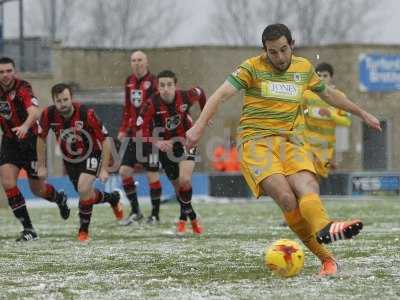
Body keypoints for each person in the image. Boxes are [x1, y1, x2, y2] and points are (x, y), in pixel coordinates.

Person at [186, 24, 381, 275]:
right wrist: (199, 127)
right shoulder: (251, 68)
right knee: (288, 199)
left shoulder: (303, 68)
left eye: (283, 50)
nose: (279, 57)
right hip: (255, 143)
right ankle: (327, 258)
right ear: (264, 50)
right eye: (272, 52)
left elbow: (329, 95)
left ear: (292, 45)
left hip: (290, 141)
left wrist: (362, 113)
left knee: (308, 187)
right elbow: (221, 95)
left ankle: (324, 228)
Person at [37, 83, 124, 242]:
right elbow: (41, 139)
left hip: (92, 154)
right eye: (59, 101)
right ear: (54, 101)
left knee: (83, 188)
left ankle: (83, 231)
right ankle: (112, 198)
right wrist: (41, 165)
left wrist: (104, 168)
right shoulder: (48, 114)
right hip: (70, 159)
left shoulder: (86, 114)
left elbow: (105, 141)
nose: (63, 104)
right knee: (86, 194)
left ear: (71, 98)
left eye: (65, 99)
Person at [0, 57, 70, 242]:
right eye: (1, 72)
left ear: (14, 72)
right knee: (8, 182)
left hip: (31, 141)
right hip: (10, 142)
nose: (5, 75)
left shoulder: (23, 87)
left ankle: (59, 198)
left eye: (8, 71)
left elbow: (34, 112)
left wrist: (24, 126)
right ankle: (28, 229)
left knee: (37, 189)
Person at [140, 70, 206, 235]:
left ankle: (183, 220)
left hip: (186, 140)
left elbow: (201, 92)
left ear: (175, 86)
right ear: (157, 87)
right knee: (178, 188)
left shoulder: (185, 96)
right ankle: (192, 216)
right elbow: (141, 131)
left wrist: (205, 116)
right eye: (162, 85)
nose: (166, 89)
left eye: (169, 85)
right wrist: (158, 142)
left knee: (185, 180)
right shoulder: (151, 104)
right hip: (166, 148)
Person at [118, 50, 162, 225]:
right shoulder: (129, 81)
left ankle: (155, 215)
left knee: (152, 174)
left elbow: (158, 108)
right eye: (133, 60)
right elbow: (128, 108)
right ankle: (136, 211)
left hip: (149, 135)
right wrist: (123, 128)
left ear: (147, 62)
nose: (137, 63)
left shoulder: (154, 82)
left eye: (140, 60)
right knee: (124, 171)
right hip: (132, 134)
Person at [303, 62, 351, 177]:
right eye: (319, 75)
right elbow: (299, 113)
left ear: (331, 78)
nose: (322, 78)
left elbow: (347, 122)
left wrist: (331, 114)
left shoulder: (339, 96)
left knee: (318, 177)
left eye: (325, 76)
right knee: (306, 174)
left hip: (326, 148)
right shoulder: (307, 94)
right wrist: (309, 111)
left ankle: (328, 165)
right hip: (307, 145)